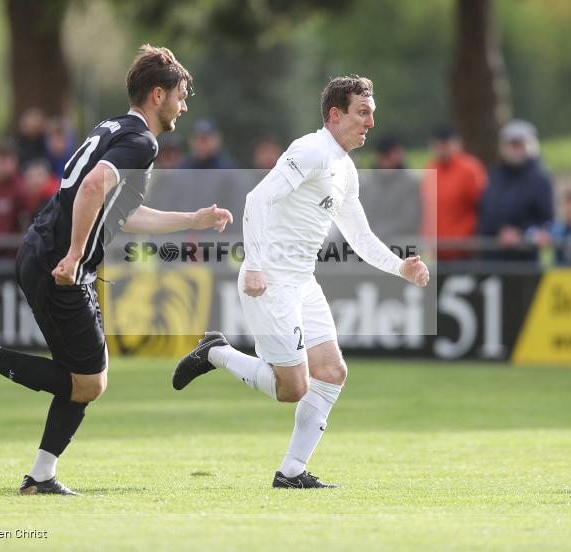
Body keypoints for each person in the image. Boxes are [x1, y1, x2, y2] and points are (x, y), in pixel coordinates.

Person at [0, 45, 233, 495]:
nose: (184, 106)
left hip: (41, 250)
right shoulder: (141, 141)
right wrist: (73, 255)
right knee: (88, 381)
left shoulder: (113, 127)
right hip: (58, 263)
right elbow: (92, 188)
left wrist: (192, 220)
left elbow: (124, 215)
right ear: (157, 94)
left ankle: (40, 476)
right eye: (181, 96)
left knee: (83, 377)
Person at [172, 76, 430, 488]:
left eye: (372, 114)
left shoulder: (344, 167)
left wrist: (401, 268)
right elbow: (256, 199)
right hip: (270, 279)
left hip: (302, 281)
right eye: (362, 113)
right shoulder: (311, 150)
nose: (370, 123)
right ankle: (216, 351)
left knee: (331, 372)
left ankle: (291, 472)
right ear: (335, 114)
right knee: (292, 388)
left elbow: (360, 237)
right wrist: (254, 263)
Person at [477, 120, 553, 262]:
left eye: (520, 144)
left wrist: (522, 233)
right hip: (493, 256)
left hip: (525, 260)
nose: (516, 149)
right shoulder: (494, 176)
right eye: (512, 144)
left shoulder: (540, 180)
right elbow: (486, 213)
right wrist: (500, 231)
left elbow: (545, 220)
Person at [423, 125, 487, 260]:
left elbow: (482, 206)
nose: (442, 148)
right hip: (438, 250)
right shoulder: (431, 168)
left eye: (445, 144)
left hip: (465, 250)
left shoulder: (470, 169)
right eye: (438, 144)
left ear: (457, 144)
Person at [359, 135, 421, 239]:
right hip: (371, 245)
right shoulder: (368, 184)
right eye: (383, 155)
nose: (386, 160)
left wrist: (374, 232)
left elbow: (408, 221)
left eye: (388, 155)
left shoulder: (411, 184)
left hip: (402, 244)